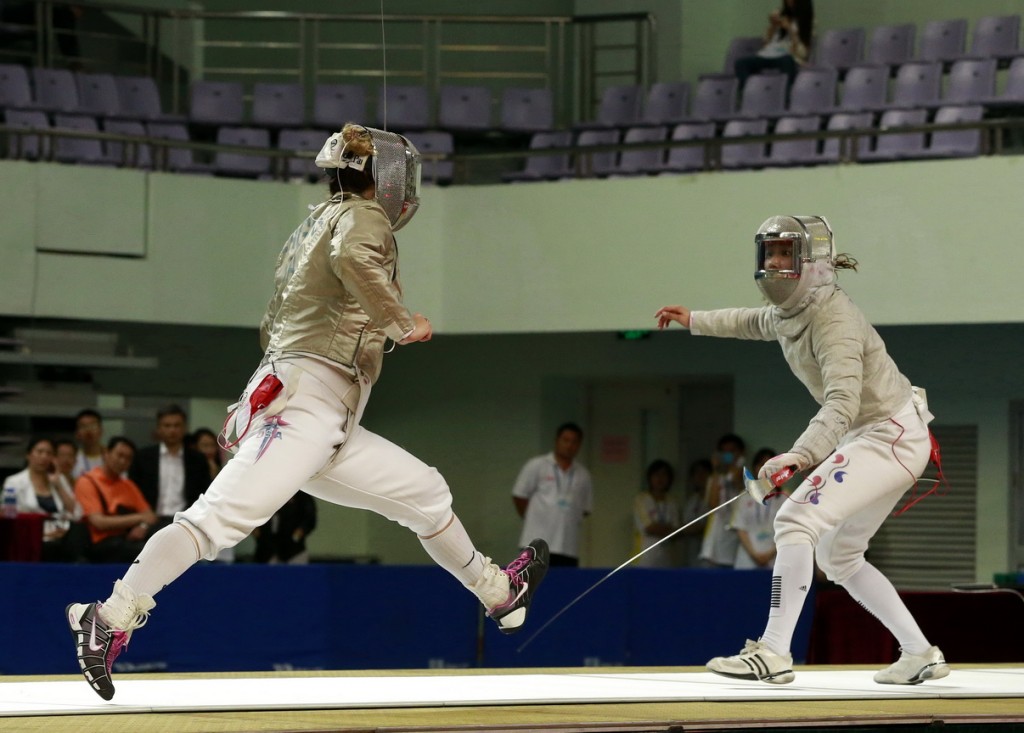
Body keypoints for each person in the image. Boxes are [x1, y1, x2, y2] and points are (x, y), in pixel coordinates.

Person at [66, 123, 549, 701]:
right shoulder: (360, 219)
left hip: (326, 414)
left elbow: (276, 318)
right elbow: (353, 263)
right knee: (216, 520)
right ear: (386, 178)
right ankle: (110, 617)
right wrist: (403, 322)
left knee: (426, 493)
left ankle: (499, 594)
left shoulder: (313, 223)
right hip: (305, 406)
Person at [655, 214, 948, 686]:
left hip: (887, 434)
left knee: (794, 521)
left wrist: (800, 454)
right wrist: (694, 320)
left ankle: (773, 651)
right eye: (769, 252)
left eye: (785, 254)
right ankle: (920, 654)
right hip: (880, 435)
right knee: (840, 556)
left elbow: (842, 401)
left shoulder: (835, 320)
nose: (774, 262)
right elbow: (752, 321)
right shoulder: (795, 311)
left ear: (811, 261)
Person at [512, 422, 593, 567]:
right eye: (566, 440)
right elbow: (519, 496)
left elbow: (585, 510)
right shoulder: (537, 465)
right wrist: (535, 517)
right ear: (557, 441)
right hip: (536, 543)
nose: (569, 446)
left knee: (564, 587)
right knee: (531, 587)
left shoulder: (583, 475)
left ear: (579, 445)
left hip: (568, 547)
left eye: (574, 442)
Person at [129, 404, 213, 532]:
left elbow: (204, 494)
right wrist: (141, 522)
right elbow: (132, 491)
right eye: (167, 426)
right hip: (149, 521)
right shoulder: (143, 457)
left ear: (184, 428)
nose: (172, 430)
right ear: (159, 428)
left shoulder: (197, 460)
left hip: (186, 522)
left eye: (177, 425)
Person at [74, 436, 157, 564]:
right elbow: (99, 522)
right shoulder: (87, 481)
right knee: (145, 553)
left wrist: (143, 526)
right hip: (100, 543)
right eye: (119, 455)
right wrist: (139, 518)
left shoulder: (128, 485)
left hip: (127, 539)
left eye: (128, 458)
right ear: (106, 453)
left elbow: (150, 516)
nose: (123, 461)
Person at [2, 437, 84, 561]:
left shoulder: (59, 479)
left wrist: (58, 485)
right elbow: (10, 515)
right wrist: (41, 532)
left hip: (61, 533)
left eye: (49, 453)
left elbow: (77, 514)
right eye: (40, 452)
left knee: (79, 532)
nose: (44, 457)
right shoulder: (13, 482)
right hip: (30, 536)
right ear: (28, 455)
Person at [734, 0, 814, 90]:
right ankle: (752, 94)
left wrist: (790, 30)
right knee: (741, 64)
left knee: (787, 62)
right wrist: (772, 26)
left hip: (786, 56)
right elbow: (765, 44)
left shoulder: (808, 22)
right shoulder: (781, 15)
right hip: (768, 54)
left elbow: (803, 53)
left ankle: (784, 98)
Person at [698, 433, 746, 568]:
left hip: (735, 543)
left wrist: (738, 467)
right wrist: (716, 470)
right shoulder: (714, 479)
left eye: (732, 451)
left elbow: (741, 489)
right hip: (713, 546)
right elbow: (713, 504)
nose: (728, 455)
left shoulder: (746, 477)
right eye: (724, 452)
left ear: (741, 453)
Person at [731, 447, 784, 570]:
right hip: (747, 559)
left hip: (774, 559)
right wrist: (754, 555)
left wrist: (770, 554)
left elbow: (787, 531)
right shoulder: (744, 497)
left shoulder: (784, 498)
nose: (766, 469)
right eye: (761, 464)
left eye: (771, 464)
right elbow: (740, 528)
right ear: (754, 468)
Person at [633, 459, 682, 568]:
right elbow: (649, 528)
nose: (660, 478)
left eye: (664, 475)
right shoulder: (641, 500)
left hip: (667, 557)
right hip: (645, 556)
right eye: (656, 475)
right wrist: (667, 529)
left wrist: (661, 528)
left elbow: (676, 532)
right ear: (650, 478)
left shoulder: (672, 502)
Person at [253, 491, 318, 564]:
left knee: (296, 573)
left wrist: (299, 532)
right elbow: (253, 514)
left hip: (294, 549)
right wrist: (254, 528)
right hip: (266, 550)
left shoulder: (301, 495)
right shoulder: (264, 493)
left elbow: (309, 518)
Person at [679, 458, 711, 566]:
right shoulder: (691, 501)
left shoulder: (714, 499)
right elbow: (684, 526)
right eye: (696, 473)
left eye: (703, 472)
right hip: (692, 553)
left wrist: (698, 529)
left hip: (711, 553)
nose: (700, 476)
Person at [72, 408, 104, 479]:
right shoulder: (73, 460)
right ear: (77, 434)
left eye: (93, 426)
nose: (89, 431)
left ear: (101, 431)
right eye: (83, 427)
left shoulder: (110, 458)